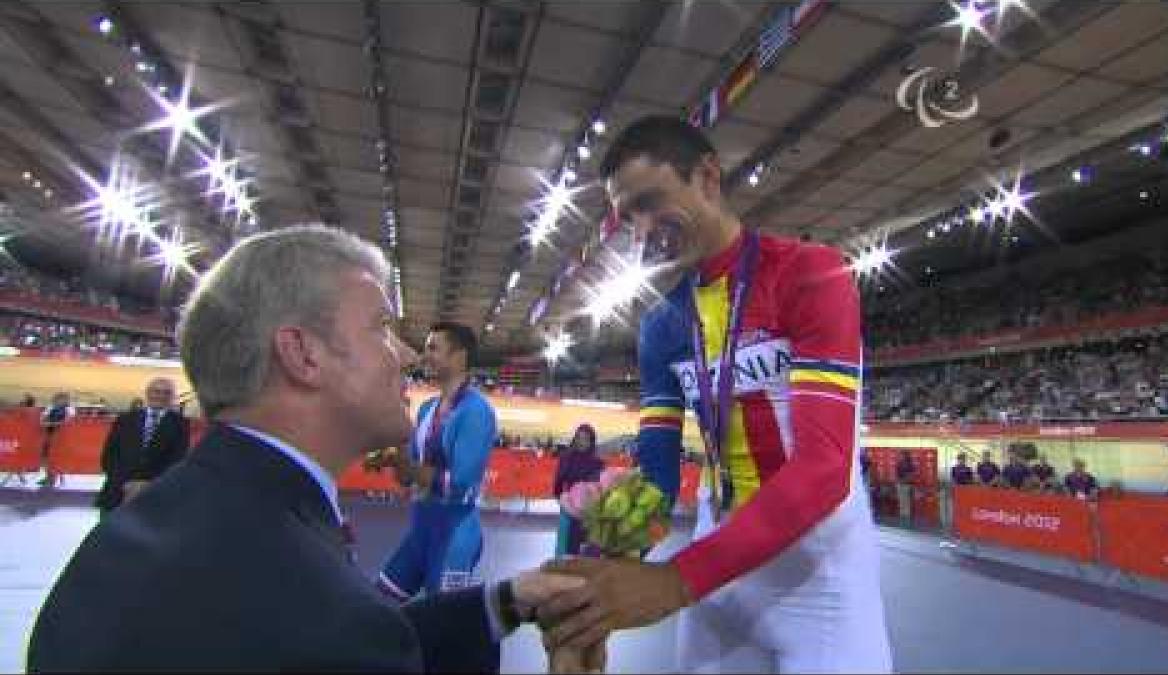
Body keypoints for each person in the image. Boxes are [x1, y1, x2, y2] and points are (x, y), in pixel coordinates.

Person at [26, 225, 580, 671]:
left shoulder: (152, 529)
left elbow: (364, 630)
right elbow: (346, 638)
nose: (406, 356)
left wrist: (502, 602)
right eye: (381, 327)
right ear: (303, 354)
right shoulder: (305, 601)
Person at [540, 116, 891, 672]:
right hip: (719, 548)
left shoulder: (809, 273)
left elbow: (825, 467)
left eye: (651, 202)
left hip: (819, 568)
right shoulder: (661, 325)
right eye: (627, 217)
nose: (641, 230)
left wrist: (677, 580)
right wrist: (607, 571)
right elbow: (656, 471)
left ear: (707, 177)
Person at [378, 322, 498, 600]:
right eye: (425, 348)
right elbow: (407, 478)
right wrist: (395, 455)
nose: (425, 355)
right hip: (420, 532)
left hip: (454, 537)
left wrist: (409, 468)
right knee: (380, 604)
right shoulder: (426, 409)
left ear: (459, 356)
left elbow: (460, 485)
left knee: (443, 630)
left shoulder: (477, 413)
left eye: (433, 348)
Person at [94, 378, 191, 512]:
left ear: (172, 397)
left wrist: (148, 484)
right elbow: (109, 455)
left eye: (167, 393)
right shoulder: (125, 419)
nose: (161, 396)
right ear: (147, 393)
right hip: (118, 491)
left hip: (156, 493)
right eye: (156, 391)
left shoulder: (181, 424)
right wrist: (124, 482)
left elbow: (177, 459)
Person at [553, 423, 606, 556]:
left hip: (590, 514)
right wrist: (565, 503)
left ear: (592, 441)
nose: (582, 442)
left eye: (586, 439)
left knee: (589, 553)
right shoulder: (566, 458)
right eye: (579, 438)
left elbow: (602, 488)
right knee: (567, 551)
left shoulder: (598, 463)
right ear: (574, 439)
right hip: (569, 512)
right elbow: (557, 486)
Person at [37, 391, 74, 487]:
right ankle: (49, 477)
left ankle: (56, 478)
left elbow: (68, 422)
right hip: (49, 436)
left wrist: (52, 424)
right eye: (55, 399)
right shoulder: (50, 408)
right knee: (46, 457)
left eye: (58, 399)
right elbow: (42, 420)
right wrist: (47, 423)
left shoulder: (70, 409)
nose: (55, 401)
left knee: (57, 458)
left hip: (62, 439)